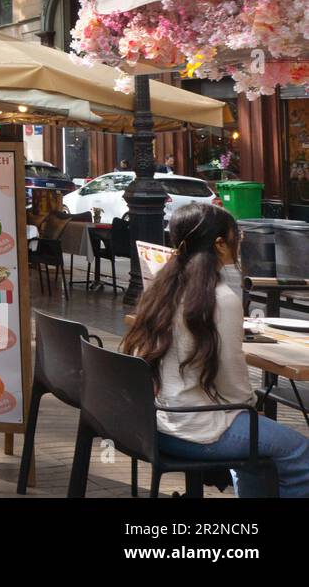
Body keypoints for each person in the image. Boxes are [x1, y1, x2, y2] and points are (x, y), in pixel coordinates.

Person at [122, 203, 309, 497]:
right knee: (298, 451)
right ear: (220, 243)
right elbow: (234, 385)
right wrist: (251, 409)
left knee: (257, 437)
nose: (240, 242)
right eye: (238, 235)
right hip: (192, 428)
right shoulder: (220, 298)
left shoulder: (161, 287)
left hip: (153, 422)